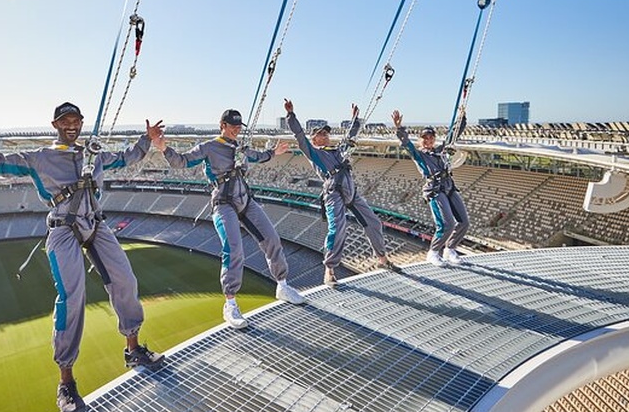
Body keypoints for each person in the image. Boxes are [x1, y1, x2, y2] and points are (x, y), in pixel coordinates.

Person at [0, 101, 165, 412]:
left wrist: (147, 139)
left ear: (81, 123)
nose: (71, 124)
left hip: (95, 224)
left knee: (125, 280)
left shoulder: (94, 154)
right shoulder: (40, 158)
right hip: (63, 228)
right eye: (65, 120)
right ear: (55, 124)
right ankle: (66, 381)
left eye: (76, 120)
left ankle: (133, 350)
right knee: (73, 298)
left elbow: (127, 157)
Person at [150, 109, 305, 329]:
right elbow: (182, 161)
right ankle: (230, 304)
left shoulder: (240, 147)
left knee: (272, 239)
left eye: (239, 127)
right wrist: (163, 147)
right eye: (232, 126)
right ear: (222, 125)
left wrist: (273, 152)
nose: (236, 130)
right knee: (234, 249)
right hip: (223, 203)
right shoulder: (209, 147)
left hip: (245, 200)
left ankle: (282, 285)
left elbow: (257, 156)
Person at [284, 99, 395, 287]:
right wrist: (291, 116)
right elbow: (300, 136)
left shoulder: (338, 150)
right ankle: (329, 270)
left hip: (351, 190)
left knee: (373, 222)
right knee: (337, 230)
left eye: (326, 132)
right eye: (321, 134)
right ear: (314, 139)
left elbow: (350, 136)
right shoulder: (315, 153)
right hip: (334, 192)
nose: (325, 135)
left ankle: (382, 259)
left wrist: (355, 119)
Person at [391, 109, 470, 267]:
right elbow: (406, 144)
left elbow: (453, 135)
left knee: (464, 222)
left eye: (430, 137)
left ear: (434, 139)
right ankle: (433, 252)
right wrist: (399, 128)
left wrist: (461, 118)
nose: (428, 140)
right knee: (447, 224)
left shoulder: (441, 151)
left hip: (448, 186)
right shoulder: (419, 155)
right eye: (424, 138)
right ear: (421, 141)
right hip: (434, 189)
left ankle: (450, 249)